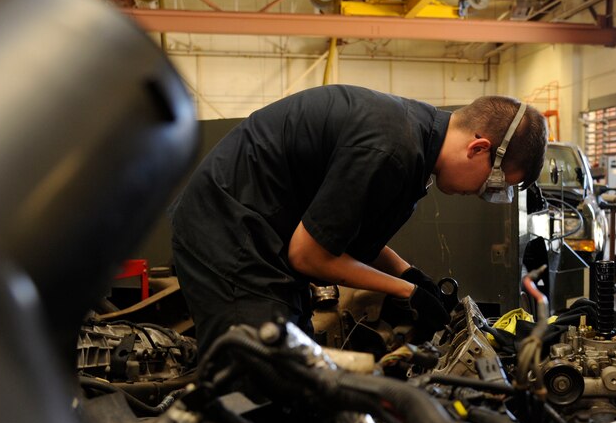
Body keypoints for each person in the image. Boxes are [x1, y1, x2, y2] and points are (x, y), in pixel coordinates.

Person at [169, 85, 548, 351]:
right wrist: (406, 292)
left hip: (256, 238)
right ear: (478, 147)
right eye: (494, 184)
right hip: (229, 237)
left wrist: (408, 273)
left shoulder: (412, 140)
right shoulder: (391, 148)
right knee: (263, 378)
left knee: (296, 363)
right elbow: (309, 256)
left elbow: (338, 230)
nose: (482, 194)